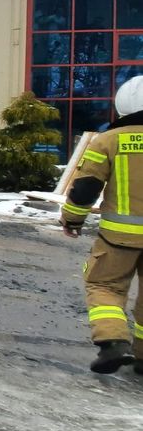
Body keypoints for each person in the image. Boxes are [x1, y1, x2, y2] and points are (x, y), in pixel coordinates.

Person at [62, 74, 143, 373]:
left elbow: (86, 188)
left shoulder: (107, 141)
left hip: (118, 239)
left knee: (104, 286)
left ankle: (113, 343)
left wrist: (72, 219)